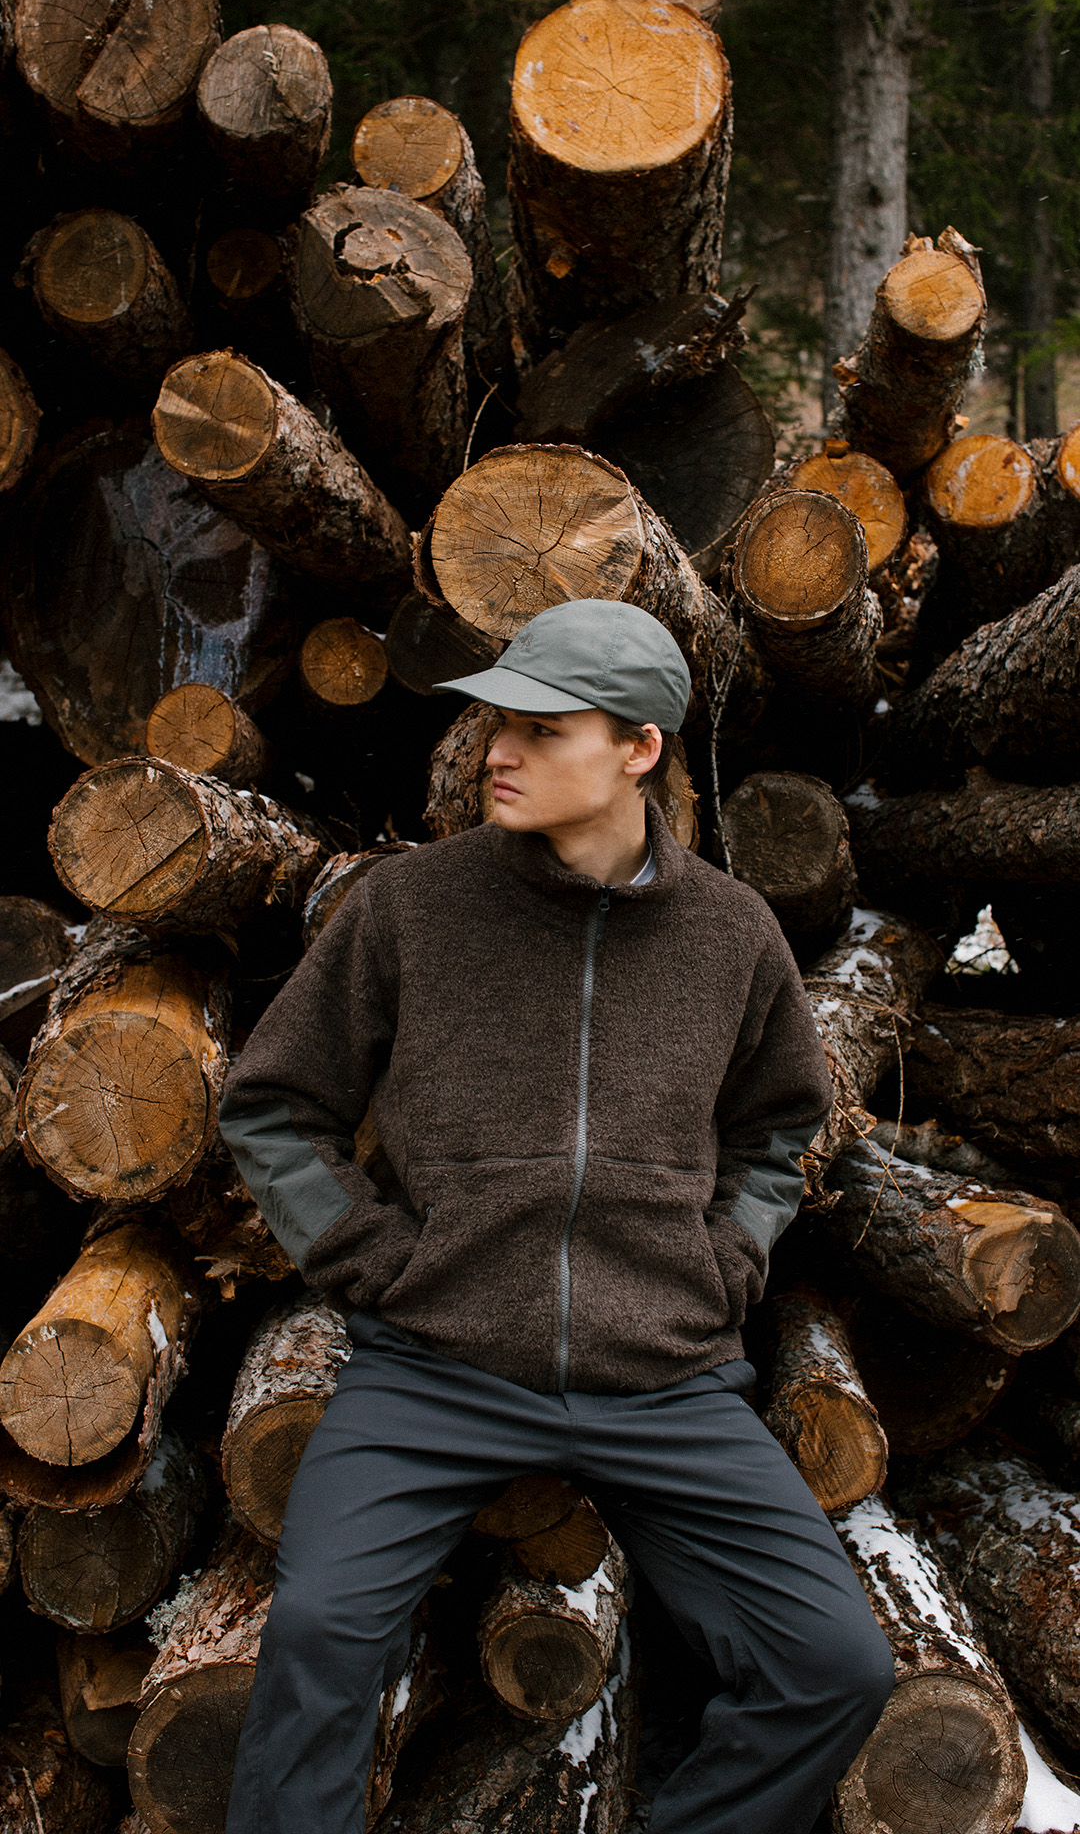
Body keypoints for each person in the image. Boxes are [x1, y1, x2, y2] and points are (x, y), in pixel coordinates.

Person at [219, 597, 894, 1834]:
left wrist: (725, 1264)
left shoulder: (731, 935)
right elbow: (273, 1106)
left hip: (665, 1377)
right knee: (315, 1636)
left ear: (639, 749)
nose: (499, 750)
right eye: (498, 723)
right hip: (438, 1365)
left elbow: (778, 1131)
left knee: (835, 1668)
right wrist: (376, 1261)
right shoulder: (411, 909)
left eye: (543, 727)